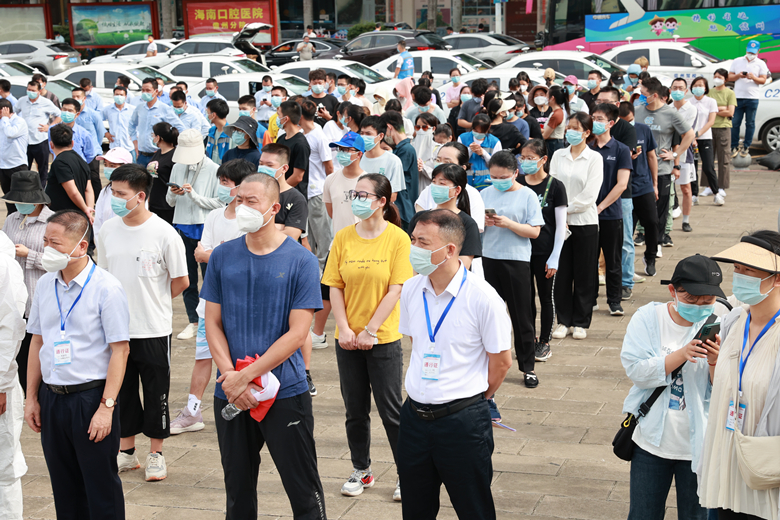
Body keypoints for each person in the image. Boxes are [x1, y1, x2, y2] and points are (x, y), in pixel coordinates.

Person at [200, 171, 326, 519]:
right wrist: (229, 376)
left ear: (274, 208)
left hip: (284, 391)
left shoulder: (299, 260)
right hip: (230, 390)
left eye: (250, 201)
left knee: (304, 490)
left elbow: (298, 333)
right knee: (237, 491)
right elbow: (212, 322)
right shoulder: (223, 256)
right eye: (238, 199)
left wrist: (247, 375)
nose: (241, 207)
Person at [397, 208, 511, 519]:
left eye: (422, 242)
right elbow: (417, 343)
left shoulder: (483, 298)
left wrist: (477, 399)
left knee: (473, 507)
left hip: (462, 422)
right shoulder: (411, 288)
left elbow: (501, 362)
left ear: (449, 250)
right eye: (412, 239)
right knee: (415, 508)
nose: (413, 248)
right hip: (414, 417)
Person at [24, 209, 130, 520]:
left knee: (100, 488)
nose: (47, 250)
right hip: (52, 396)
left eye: (55, 243)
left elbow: (120, 351)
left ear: (81, 246)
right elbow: (37, 342)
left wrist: (106, 407)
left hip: (90, 398)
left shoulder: (106, 288)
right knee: (63, 486)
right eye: (45, 241)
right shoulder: (46, 285)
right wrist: (32, 397)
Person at [322, 172, 412, 501]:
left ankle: (407, 472)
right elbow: (334, 285)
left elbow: (396, 289)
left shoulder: (398, 239)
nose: (357, 199)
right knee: (354, 410)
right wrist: (344, 329)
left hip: (383, 338)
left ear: (382, 202)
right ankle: (361, 469)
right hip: (347, 340)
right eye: (355, 194)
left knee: (391, 411)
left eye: (363, 195)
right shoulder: (344, 237)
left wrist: (371, 330)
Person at [97, 164, 188, 481]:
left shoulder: (164, 233)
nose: (114, 198)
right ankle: (127, 451)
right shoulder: (107, 230)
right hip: (117, 329)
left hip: (153, 327)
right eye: (112, 191)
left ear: (139, 196)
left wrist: (155, 301)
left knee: (156, 392)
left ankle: (156, 454)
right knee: (121, 391)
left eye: (120, 193)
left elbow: (180, 281)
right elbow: (103, 276)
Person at [621, 255, 724, 520]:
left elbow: (724, 391)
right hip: (652, 443)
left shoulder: (722, 321)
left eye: (707, 301)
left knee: (697, 516)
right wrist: (680, 354)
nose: (699, 307)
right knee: (643, 514)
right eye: (691, 299)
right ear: (672, 291)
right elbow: (637, 372)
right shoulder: (649, 317)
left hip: (699, 446)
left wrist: (714, 363)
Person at [700, 230, 780, 520]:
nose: (740, 276)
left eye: (749, 270)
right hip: (727, 462)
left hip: (767, 469)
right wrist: (714, 365)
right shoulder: (733, 320)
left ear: (777, 277)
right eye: (737, 269)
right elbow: (723, 388)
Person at [171, 159, 255, 434]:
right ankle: (193, 411)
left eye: (226, 182)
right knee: (203, 357)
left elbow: (240, 260)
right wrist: (219, 254)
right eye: (221, 181)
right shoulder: (215, 216)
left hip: (240, 305)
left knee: (239, 358)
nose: (222, 187)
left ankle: (242, 403)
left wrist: (215, 255)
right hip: (211, 302)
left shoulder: (250, 220)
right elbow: (201, 253)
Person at [481, 150, 544, 387]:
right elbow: (473, 228)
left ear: (515, 173)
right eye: (494, 177)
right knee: (488, 316)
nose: (498, 182)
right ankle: (487, 363)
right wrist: (484, 223)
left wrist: (509, 224)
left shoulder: (527, 195)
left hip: (516, 260)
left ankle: (528, 367)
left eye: (503, 177)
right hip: (488, 258)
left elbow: (535, 231)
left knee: (521, 316)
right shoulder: (484, 194)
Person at [165, 129, 221, 340]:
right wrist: (173, 193)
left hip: (205, 227)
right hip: (181, 225)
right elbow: (169, 202)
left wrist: (195, 196)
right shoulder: (177, 167)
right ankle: (193, 321)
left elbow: (220, 202)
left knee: (209, 278)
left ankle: (211, 321)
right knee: (186, 276)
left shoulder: (214, 169)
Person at [550, 112, 602, 340]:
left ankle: (581, 321)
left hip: (585, 222)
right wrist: (559, 212)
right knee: (561, 273)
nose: (570, 131)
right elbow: (551, 185)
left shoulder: (594, 159)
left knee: (584, 273)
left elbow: (590, 195)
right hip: (559, 223)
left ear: (587, 133)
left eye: (575, 128)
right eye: (568, 127)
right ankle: (563, 320)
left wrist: (565, 209)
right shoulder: (558, 155)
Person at [1, 170, 52, 396]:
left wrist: (28, 254)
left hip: (38, 302)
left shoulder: (53, 222)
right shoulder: (11, 220)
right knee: (16, 356)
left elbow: (60, 262)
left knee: (38, 357)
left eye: (24, 201)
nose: (20, 205)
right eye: (17, 201)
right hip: (13, 302)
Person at [634, 77, 694, 267]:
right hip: (638, 170)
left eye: (644, 94)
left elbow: (689, 134)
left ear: (655, 95)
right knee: (636, 213)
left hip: (661, 170)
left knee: (659, 211)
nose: (641, 97)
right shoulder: (637, 112)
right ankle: (640, 239)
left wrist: (675, 154)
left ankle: (656, 244)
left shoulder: (670, 113)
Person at [517, 139, 567, 362]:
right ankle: (528, 340)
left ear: (543, 159)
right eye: (523, 158)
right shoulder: (517, 182)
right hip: (520, 251)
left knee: (546, 297)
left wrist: (555, 256)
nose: (525, 162)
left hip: (545, 251)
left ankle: (545, 341)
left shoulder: (555, 186)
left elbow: (560, 226)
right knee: (524, 299)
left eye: (530, 158)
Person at [590, 103, 632, 316]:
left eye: (599, 118)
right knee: (588, 259)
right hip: (587, 215)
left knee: (613, 259)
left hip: (610, 214)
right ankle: (590, 299)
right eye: (593, 117)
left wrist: (601, 207)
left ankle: (614, 301)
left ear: (610, 123)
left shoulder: (621, 150)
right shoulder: (587, 148)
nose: (595, 122)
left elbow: (622, 184)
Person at [618, 102, 659, 299]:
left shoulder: (643, 130)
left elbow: (652, 156)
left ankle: (650, 257)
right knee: (627, 233)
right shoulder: (615, 132)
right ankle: (627, 272)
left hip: (643, 185)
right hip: (625, 188)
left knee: (652, 222)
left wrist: (655, 183)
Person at [0, 229, 26, 520]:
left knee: (3, 465)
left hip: (1, 379)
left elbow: (10, 328)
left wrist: (2, 383)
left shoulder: (4, 265)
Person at [410, 163, 481, 269]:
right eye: (433, 182)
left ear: (457, 190)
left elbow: (463, 265)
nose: (435, 187)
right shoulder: (420, 218)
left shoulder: (468, 224)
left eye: (442, 183)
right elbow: (409, 253)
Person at [415, 142, 486, 230]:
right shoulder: (429, 190)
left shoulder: (473, 195)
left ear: (462, 168)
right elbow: (419, 223)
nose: (441, 165)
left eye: (447, 162)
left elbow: (474, 232)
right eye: (438, 160)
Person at [299, 99, 334, 269]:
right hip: (305, 192)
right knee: (309, 237)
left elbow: (329, 166)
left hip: (317, 193)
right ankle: (312, 270)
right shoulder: (302, 134)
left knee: (323, 237)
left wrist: (329, 190)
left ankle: (324, 272)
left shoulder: (319, 135)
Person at [129, 77, 184, 168]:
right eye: (143, 90)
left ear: (156, 91)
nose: (145, 93)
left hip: (158, 154)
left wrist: (169, 147)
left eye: (148, 90)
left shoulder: (164, 109)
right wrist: (135, 142)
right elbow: (131, 124)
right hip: (141, 154)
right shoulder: (139, 108)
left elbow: (180, 128)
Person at [15, 80, 61, 188]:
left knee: (43, 169)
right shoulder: (22, 101)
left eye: (33, 90)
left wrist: (49, 127)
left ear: (39, 91)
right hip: (25, 141)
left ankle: (41, 191)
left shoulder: (45, 102)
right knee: (24, 168)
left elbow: (59, 115)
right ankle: (25, 190)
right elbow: (14, 112)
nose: (30, 92)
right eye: (29, 90)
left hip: (40, 140)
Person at [728, 40, 769, 158]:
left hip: (752, 97)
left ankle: (746, 146)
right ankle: (734, 146)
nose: (751, 54)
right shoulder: (737, 61)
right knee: (735, 123)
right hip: (738, 97)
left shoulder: (761, 63)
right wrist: (738, 76)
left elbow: (763, 80)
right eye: (749, 51)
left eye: (754, 52)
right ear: (746, 49)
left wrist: (753, 77)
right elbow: (730, 77)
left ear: (758, 51)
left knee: (750, 123)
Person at [46, 124, 94, 220]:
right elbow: (88, 189)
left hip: (64, 216)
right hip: (78, 214)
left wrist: (86, 210)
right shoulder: (81, 161)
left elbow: (73, 192)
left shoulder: (60, 162)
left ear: (51, 144)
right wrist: (89, 209)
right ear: (72, 143)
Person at [382, 110, 418, 231]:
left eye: (383, 131)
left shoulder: (405, 150)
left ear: (389, 127)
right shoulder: (401, 149)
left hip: (403, 209)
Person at [688, 77, 721, 207]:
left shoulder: (711, 102)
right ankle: (694, 195)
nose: (698, 88)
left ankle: (716, 193)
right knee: (692, 168)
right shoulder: (688, 102)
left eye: (700, 85)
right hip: (690, 139)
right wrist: (692, 137)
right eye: (695, 85)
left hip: (705, 137)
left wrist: (698, 134)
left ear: (706, 87)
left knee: (708, 167)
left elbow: (711, 121)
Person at [669, 78, 696, 233]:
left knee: (685, 188)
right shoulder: (667, 107)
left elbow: (685, 133)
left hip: (684, 153)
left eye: (681, 88)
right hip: (668, 152)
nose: (677, 90)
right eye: (675, 87)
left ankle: (686, 220)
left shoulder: (691, 109)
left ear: (686, 91)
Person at [359, 116, 406, 202]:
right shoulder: (358, 158)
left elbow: (393, 196)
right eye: (362, 133)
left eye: (368, 134)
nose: (363, 137)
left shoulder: (393, 161)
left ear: (380, 136)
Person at [705, 68, 736, 200]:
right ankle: (708, 186)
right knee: (708, 158)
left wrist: (715, 110)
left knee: (724, 158)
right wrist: (721, 108)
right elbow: (705, 109)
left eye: (720, 77)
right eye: (715, 76)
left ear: (725, 79)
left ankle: (722, 186)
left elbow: (730, 113)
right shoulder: (709, 92)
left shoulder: (729, 93)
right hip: (709, 127)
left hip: (724, 127)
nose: (717, 79)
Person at [93, 147, 133, 243]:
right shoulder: (105, 192)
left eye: (112, 165)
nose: (107, 169)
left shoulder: (135, 192)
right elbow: (98, 222)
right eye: (105, 165)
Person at [49, 98, 98, 169]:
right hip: (59, 167)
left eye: (70, 111)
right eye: (64, 110)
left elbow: (90, 155)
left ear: (77, 114)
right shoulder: (52, 130)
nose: (66, 113)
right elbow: (51, 149)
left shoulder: (84, 134)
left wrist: (79, 165)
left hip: (77, 168)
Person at [0, 99, 29, 215]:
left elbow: (10, 133)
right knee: (9, 200)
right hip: (3, 166)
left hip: (17, 166)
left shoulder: (19, 122)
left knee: (21, 200)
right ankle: (11, 225)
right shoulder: (2, 122)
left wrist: (5, 118)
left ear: (5, 110)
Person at [458, 113, 501, 190]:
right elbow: (458, 160)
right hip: (466, 181)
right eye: (475, 130)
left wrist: (484, 153)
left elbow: (497, 165)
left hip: (486, 183)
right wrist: (470, 150)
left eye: (481, 132)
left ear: (488, 128)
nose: (478, 133)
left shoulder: (494, 142)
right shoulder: (462, 138)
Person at [146, 122, 178, 225]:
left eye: (154, 135)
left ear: (159, 137)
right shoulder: (158, 153)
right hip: (154, 202)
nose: (153, 137)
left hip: (166, 206)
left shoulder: (175, 156)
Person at [102, 86, 135, 161]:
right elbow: (98, 122)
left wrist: (136, 135)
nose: (119, 97)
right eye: (117, 94)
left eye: (121, 95)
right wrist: (105, 133)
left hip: (129, 146)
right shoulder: (107, 109)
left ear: (125, 97)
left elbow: (140, 123)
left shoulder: (132, 109)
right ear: (113, 96)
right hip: (114, 146)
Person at [411, 112, 440, 191]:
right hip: (413, 189)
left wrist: (423, 167)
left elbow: (440, 174)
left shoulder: (439, 149)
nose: (420, 130)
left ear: (433, 129)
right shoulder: (411, 147)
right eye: (417, 127)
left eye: (424, 127)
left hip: (430, 189)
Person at [204, 98, 232, 166]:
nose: (207, 116)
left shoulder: (231, 133)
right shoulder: (211, 131)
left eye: (208, 113)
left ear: (214, 115)